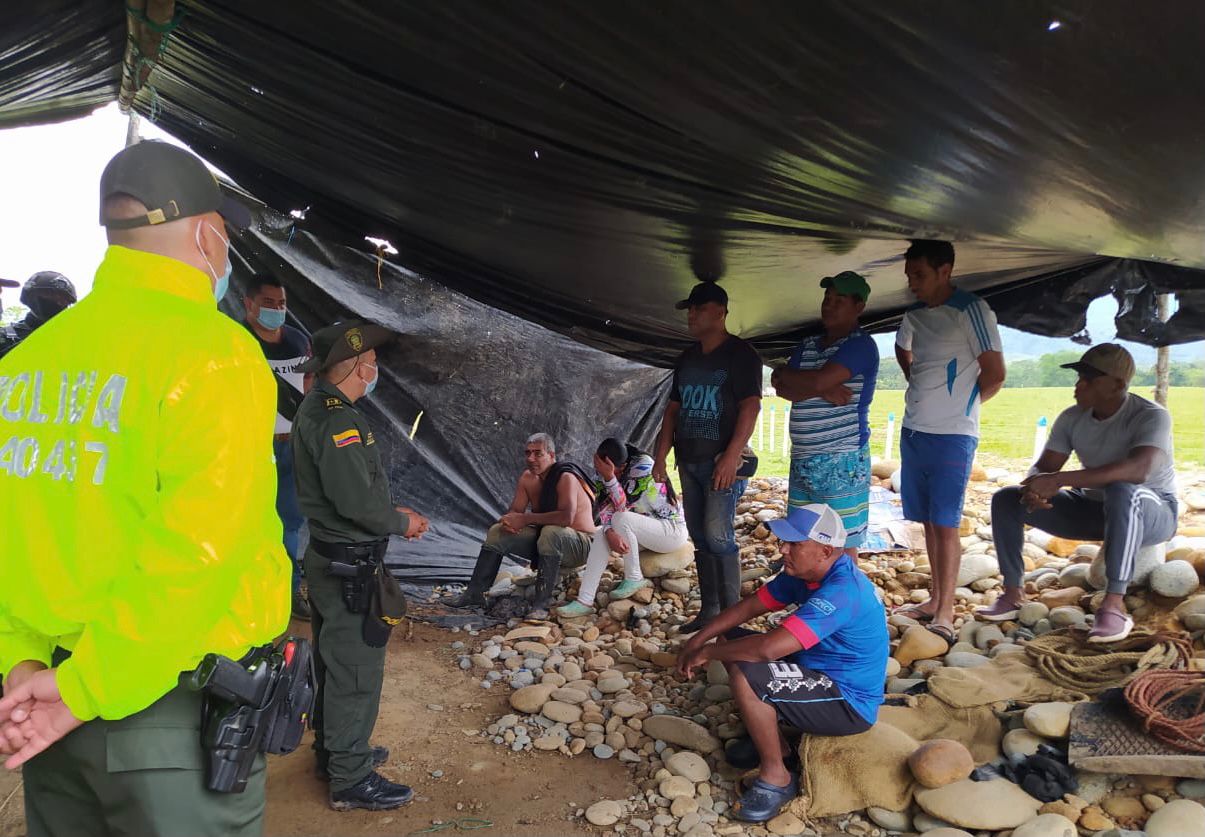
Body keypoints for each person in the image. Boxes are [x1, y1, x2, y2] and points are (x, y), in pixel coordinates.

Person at [0, 140, 290, 836]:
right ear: (207, 236)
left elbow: (16, 531)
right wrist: (84, 689)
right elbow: (198, 552)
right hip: (167, 719)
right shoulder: (215, 354)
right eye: (225, 239)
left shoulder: (28, 363)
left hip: (46, 703)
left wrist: (22, 661)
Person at [292, 320, 430, 811]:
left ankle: (335, 752)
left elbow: (350, 493)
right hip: (349, 566)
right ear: (354, 367)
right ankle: (350, 777)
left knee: (334, 661)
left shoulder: (319, 408)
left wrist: (387, 514)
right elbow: (354, 503)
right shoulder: (339, 422)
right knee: (355, 668)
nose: (375, 369)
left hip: (332, 559)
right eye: (370, 362)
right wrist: (403, 522)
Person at [676, 504, 888, 823]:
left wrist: (707, 653)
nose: (783, 550)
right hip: (814, 671)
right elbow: (751, 606)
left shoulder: (842, 592)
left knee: (748, 674)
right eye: (783, 542)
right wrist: (700, 638)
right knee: (730, 639)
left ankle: (777, 776)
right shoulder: (806, 574)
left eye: (794, 544)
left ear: (825, 550)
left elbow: (767, 650)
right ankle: (778, 744)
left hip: (848, 702)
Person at [976, 344, 1176, 642]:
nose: (1078, 385)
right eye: (1079, 377)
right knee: (1007, 499)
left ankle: (1114, 604)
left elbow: (1139, 470)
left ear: (1117, 385)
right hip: (1094, 511)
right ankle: (1012, 593)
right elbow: (1044, 468)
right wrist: (1034, 488)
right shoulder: (1072, 418)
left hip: (1152, 514)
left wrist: (1059, 480)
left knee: (1124, 490)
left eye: (1089, 380)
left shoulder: (1150, 416)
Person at [894, 240, 1005, 645]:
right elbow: (902, 348)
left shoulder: (972, 309)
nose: (913, 283)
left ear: (946, 271)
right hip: (914, 429)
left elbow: (995, 373)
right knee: (927, 519)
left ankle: (945, 611)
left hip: (953, 434)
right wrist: (920, 384)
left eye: (920, 275)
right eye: (909, 275)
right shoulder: (914, 314)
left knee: (946, 522)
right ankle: (935, 598)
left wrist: (961, 406)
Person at [653, 281, 762, 633]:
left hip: (720, 463)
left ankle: (731, 621)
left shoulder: (741, 355)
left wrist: (731, 456)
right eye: (690, 309)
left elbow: (751, 406)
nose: (691, 315)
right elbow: (673, 410)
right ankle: (709, 612)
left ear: (720, 312)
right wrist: (660, 456)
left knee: (718, 536)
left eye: (699, 308)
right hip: (688, 460)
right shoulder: (687, 358)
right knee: (700, 537)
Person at [772, 271, 879, 555]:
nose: (829, 306)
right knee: (803, 536)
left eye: (838, 300)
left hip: (841, 459)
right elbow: (782, 388)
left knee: (841, 541)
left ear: (859, 307)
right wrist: (820, 388)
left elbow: (811, 380)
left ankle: (844, 585)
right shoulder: (808, 345)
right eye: (826, 299)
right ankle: (811, 584)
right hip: (803, 458)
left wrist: (808, 381)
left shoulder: (860, 345)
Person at [447, 433, 596, 619]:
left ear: (551, 455)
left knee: (551, 532)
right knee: (497, 532)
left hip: (580, 546)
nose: (531, 458)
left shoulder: (566, 477)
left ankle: (541, 605)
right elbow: (515, 511)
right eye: (528, 453)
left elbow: (566, 518)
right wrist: (508, 521)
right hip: (547, 540)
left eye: (538, 453)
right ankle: (474, 595)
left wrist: (525, 519)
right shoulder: (527, 478)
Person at [242, 272, 313, 619]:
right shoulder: (238, 341)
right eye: (268, 303)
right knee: (246, 522)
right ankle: (246, 594)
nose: (276, 310)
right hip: (250, 448)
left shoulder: (299, 342)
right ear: (249, 304)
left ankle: (286, 592)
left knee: (289, 523)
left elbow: (311, 381)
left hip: (292, 446)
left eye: (281, 303)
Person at [555, 438, 688, 618]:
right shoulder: (602, 471)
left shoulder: (643, 466)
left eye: (614, 471)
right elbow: (605, 509)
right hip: (643, 529)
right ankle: (584, 601)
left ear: (623, 466)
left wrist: (610, 478)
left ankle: (634, 577)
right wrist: (609, 531)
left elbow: (622, 507)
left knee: (620, 518)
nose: (604, 473)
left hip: (671, 530)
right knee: (602, 534)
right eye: (601, 467)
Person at [0, 272, 77, 359]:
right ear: (30, 296)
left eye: (64, 299)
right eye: (49, 294)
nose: (58, 302)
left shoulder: (76, 338)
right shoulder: (4, 337)